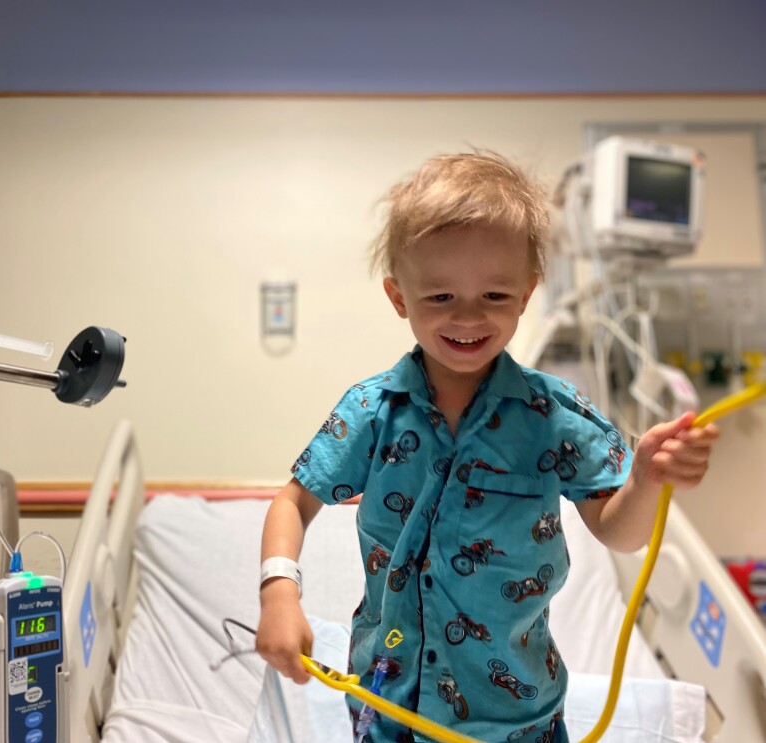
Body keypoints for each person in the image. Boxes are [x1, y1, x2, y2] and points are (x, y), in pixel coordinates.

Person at [255, 151, 720, 743]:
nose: (469, 317)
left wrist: (648, 481)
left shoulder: (554, 417)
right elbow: (292, 504)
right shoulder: (373, 413)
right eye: (441, 297)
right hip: (388, 703)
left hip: (518, 719)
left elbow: (620, 533)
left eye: (495, 296)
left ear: (527, 294)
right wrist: (278, 594)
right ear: (399, 298)